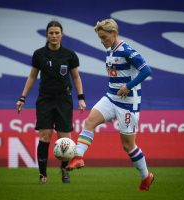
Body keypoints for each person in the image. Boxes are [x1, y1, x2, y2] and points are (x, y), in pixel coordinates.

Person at [66, 18, 154, 191]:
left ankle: (146, 176)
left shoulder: (127, 50)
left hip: (128, 104)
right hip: (111, 97)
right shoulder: (110, 50)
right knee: (90, 122)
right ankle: (77, 157)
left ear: (114, 33)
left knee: (128, 145)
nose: (102, 41)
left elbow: (146, 70)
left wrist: (128, 86)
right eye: (100, 38)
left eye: (104, 37)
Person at [16, 20, 86, 184]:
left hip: (64, 100)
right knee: (45, 137)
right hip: (45, 100)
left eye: (57, 33)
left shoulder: (70, 55)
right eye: (51, 33)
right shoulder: (39, 54)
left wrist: (81, 98)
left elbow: (76, 77)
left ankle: (64, 172)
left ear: (62, 34)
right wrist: (22, 97)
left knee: (65, 139)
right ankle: (42, 175)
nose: (54, 36)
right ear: (47, 35)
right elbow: (32, 76)